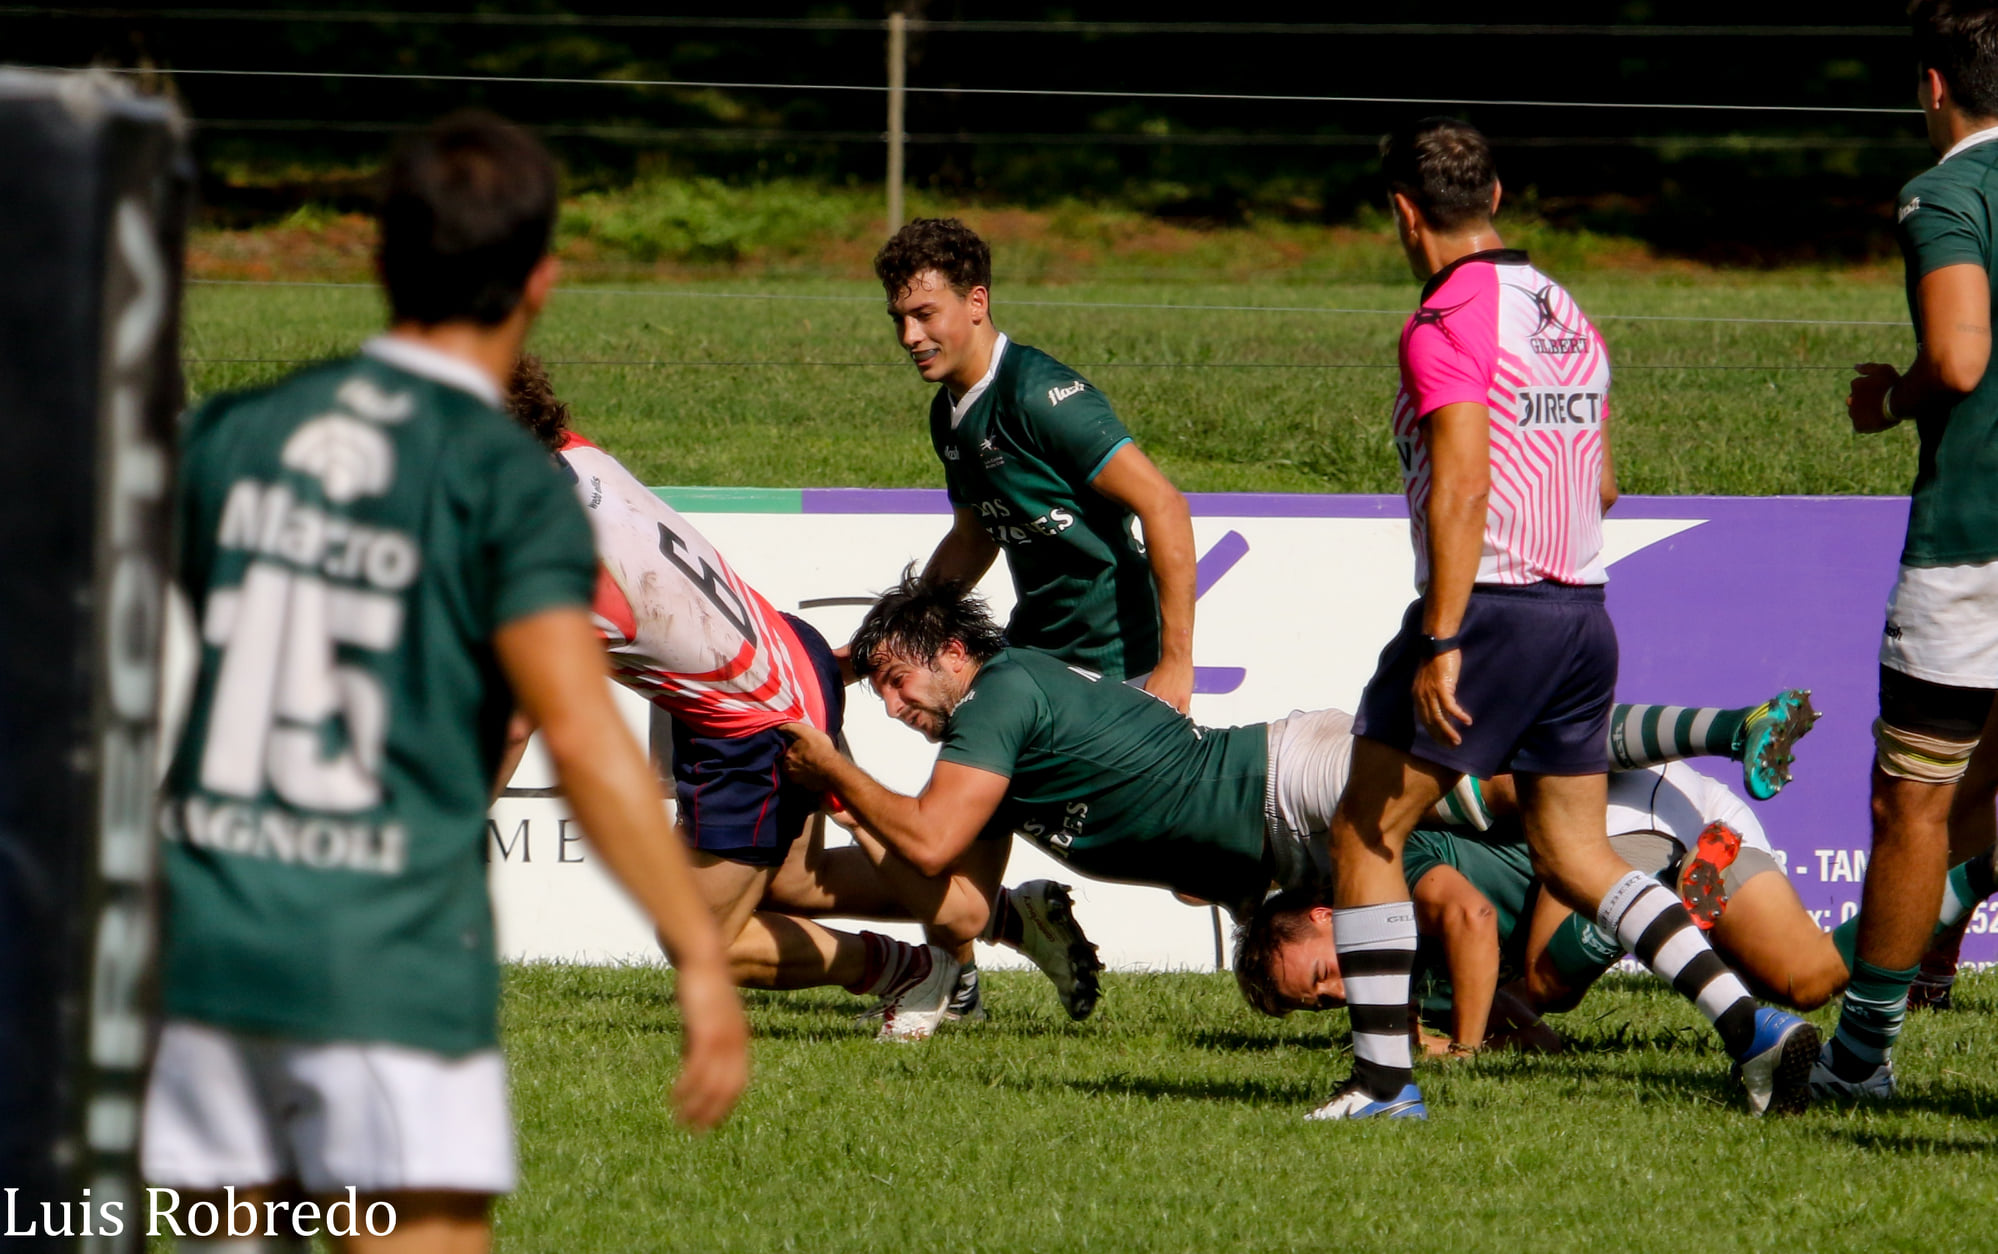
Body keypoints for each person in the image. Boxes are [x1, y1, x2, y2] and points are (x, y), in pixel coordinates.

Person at [141, 114, 748, 1254]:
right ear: (541, 281)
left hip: (207, 935)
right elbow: (580, 732)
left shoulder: (235, 434)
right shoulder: (508, 483)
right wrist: (700, 955)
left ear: (377, 262)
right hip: (382, 943)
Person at [1314, 116, 1815, 1122]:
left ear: (1404, 215)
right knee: (1578, 857)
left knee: (1366, 829)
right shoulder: (1566, 310)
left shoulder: (1446, 318)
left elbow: (1459, 485)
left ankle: (1381, 1085)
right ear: (1494, 200)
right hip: (1582, 612)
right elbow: (1609, 485)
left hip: (1490, 609)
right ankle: (1753, 1029)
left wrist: (1445, 637)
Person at [777, 575, 1818, 1038]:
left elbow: (925, 835)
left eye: (898, 685)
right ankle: (1691, 898)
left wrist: (833, 773)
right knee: (1538, 867)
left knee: (1507, 783)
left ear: (951, 653)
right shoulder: (998, 733)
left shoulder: (995, 698)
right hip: (1279, 829)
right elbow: (951, 893)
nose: (899, 710)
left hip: (1287, 785)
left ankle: (1727, 728)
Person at [503, 356, 1101, 1037]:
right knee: (788, 885)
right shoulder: (578, 457)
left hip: (756, 722)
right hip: (789, 652)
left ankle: (916, 971)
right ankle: (1012, 920)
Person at [870, 216, 1186, 1003]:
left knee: (1192, 865)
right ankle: (953, 972)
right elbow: (974, 537)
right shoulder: (950, 411)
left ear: (976, 302)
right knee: (962, 846)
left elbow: (1165, 507)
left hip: (1115, 664)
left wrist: (1173, 666)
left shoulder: (1043, 396)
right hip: (1034, 656)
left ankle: (1334, 947)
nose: (910, 335)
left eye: (926, 314)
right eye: (899, 320)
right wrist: (888, 639)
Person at [1830, 0, 1998, 1101]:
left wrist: (1888, 396)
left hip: (1974, 541)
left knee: (1912, 803)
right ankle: (1942, 928)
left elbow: (1960, 356)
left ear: (1933, 87)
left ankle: (1858, 1063)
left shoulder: (1944, 194)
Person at [1236, 762, 1853, 1052]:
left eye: (1323, 974)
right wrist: (1453, 1037)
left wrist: (1466, 1050)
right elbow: (1537, 1036)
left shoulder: (1391, 869)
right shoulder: (1415, 990)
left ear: (1324, 916)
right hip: (1700, 816)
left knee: (1546, 977)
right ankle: (1943, 892)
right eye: (1320, 1004)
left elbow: (1471, 919)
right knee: (1805, 978)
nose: (1339, 994)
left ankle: (1667, 890)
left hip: (1607, 813)